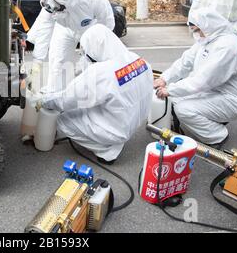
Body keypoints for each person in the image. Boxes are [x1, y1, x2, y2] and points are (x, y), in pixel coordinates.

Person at [33, 24, 153, 164]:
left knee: (63, 120)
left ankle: (107, 152)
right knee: (93, 103)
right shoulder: (137, 59)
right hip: (135, 120)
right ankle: (113, 141)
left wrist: (44, 101)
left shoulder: (102, 72)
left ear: (95, 48)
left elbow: (66, 100)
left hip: (117, 129)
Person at [154, 8, 237, 148]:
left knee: (184, 109)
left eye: (197, 29)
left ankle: (217, 136)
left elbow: (203, 80)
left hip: (232, 100)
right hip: (213, 91)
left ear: (207, 25)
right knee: (174, 99)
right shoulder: (209, 38)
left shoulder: (228, 47)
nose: (196, 34)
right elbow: (185, 62)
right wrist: (164, 78)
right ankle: (202, 124)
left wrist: (169, 89)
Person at [26, 0, 114, 93]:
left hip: (89, 30)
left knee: (88, 69)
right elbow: (44, 33)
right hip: (65, 29)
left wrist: (91, 52)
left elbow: (108, 26)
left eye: (58, 7)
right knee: (57, 59)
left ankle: (87, 97)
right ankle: (54, 93)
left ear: (68, 1)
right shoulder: (51, 3)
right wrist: (36, 66)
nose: (54, 11)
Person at [25, 0, 79, 93]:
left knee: (58, 56)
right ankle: (52, 89)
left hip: (64, 18)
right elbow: (44, 20)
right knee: (50, 54)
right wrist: (30, 39)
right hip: (54, 12)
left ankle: (58, 94)